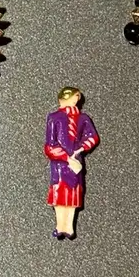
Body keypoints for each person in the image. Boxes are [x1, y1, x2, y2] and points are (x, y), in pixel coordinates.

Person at [44, 86, 99, 239]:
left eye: (77, 98)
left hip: (76, 162)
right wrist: (65, 157)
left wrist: (81, 148)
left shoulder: (83, 118)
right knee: (60, 193)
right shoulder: (54, 118)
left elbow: (93, 137)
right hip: (60, 163)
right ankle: (59, 225)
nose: (75, 100)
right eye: (74, 97)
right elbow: (49, 146)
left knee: (73, 195)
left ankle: (69, 226)